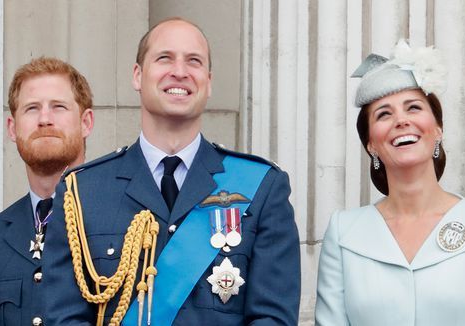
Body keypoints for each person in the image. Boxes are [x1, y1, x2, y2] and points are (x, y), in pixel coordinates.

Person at [43, 17, 300, 326]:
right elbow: (65, 318)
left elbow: (272, 318)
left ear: (208, 81)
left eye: (194, 61)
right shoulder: (81, 192)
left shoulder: (262, 188)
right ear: (138, 76)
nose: (180, 71)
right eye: (164, 58)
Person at [315, 40, 465, 325]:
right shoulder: (343, 232)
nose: (401, 120)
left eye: (413, 108)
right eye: (384, 114)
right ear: (371, 144)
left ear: (437, 129)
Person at [0, 57, 94, 326]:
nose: (45, 119)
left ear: (86, 122)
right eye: (31, 108)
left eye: (58, 107)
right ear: (12, 128)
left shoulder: (123, 218)